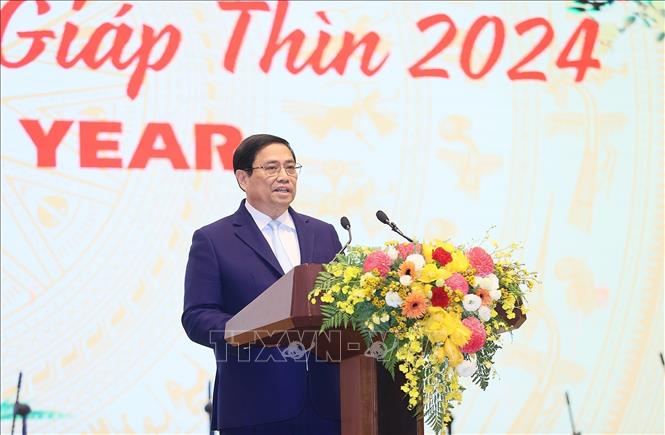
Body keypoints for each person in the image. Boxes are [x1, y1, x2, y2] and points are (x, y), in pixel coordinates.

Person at [182, 134, 342, 434]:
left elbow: (342, 306)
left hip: (326, 405)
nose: (284, 176)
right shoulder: (214, 239)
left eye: (291, 167)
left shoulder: (324, 233)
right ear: (243, 178)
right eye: (271, 168)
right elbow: (197, 316)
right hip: (254, 405)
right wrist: (250, 328)